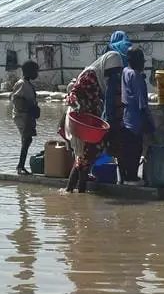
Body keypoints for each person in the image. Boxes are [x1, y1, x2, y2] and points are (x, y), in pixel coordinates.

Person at [63, 51, 123, 193]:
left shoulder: (102, 78)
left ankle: (72, 191)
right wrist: (75, 102)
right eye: (111, 72)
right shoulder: (90, 75)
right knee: (84, 156)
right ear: (105, 67)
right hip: (80, 121)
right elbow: (74, 93)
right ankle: (78, 192)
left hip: (92, 122)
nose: (112, 76)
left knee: (85, 156)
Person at [121, 46, 154, 183]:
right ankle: (132, 177)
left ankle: (125, 177)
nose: (143, 64)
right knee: (136, 150)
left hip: (127, 116)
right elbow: (141, 102)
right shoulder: (135, 75)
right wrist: (148, 122)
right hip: (136, 118)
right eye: (142, 61)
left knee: (127, 150)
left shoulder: (125, 71)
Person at [11, 60, 41, 175]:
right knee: (26, 139)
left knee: (27, 139)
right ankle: (20, 166)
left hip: (27, 116)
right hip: (22, 116)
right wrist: (30, 108)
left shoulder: (28, 84)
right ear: (29, 72)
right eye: (35, 72)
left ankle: (21, 166)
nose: (37, 74)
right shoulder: (22, 83)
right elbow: (17, 100)